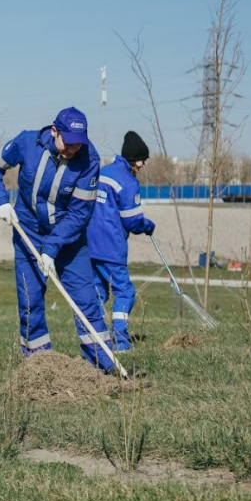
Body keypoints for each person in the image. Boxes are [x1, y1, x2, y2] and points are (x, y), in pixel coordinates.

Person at [0, 107, 116, 374]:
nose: (73, 149)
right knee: (30, 302)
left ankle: (103, 367)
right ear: (54, 131)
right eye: (68, 142)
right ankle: (39, 369)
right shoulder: (26, 143)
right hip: (27, 235)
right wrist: (0, 201)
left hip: (69, 241)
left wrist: (53, 248)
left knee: (86, 300)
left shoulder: (89, 160)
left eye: (78, 144)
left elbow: (80, 214)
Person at [87, 131, 155, 351]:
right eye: (141, 160)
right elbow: (132, 222)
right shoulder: (127, 182)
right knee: (125, 292)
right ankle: (120, 340)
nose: (143, 164)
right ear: (132, 159)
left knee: (98, 291)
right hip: (111, 246)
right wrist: (147, 225)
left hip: (89, 244)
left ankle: (93, 338)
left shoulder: (102, 173)